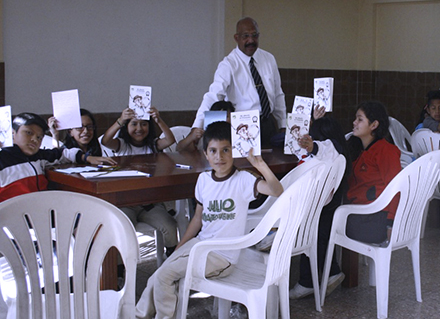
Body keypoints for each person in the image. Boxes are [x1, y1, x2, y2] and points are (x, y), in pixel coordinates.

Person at [135, 121, 283, 319]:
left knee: (165, 275)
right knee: (158, 274)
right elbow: (197, 218)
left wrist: (260, 165)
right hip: (200, 245)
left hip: (223, 256)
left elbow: (277, 190)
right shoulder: (203, 180)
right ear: (205, 154)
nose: (219, 157)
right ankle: (139, 315)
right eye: (213, 150)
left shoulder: (243, 180)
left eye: (225, 150)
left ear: (233, 152)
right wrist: (181, 246)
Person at [0, 112, 115, 203]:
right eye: (28, 133)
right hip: (11, 223)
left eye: (39, 137)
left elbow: (63, 153)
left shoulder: (39, 157)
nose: (34, 140)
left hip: (40, 215)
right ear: (12, 133)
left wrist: (87, 158)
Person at [192, 17, 286, 148]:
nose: (251, 40)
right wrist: (197, 126)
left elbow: (278, 94)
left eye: (254, 35)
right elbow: (213, 96)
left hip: (268, 124)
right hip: (243, 126)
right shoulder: (228, 64)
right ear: (236, 38)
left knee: (271, 165)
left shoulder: (269, 59)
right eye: (245, 36)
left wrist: (283, 124)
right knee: (246, 166)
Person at [101, 106, 179, 254]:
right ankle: (119, 269)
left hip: (150, 204)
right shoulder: (121, 145)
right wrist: (120, 120)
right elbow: (105, 141)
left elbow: (170, 140)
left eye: (144, 124)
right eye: (134, 124)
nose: (139, 128)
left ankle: (172, 259)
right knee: (121, 228)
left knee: (169, 225)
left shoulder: (153, 145)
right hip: (125, 204)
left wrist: (158, 119)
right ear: (126, 126)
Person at [289, 116, 350, 299]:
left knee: (313, 239)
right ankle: (332, 272)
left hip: (322, 205)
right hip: (326, 204)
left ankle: (307, 281)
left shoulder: (331, 148)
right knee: (319, 240)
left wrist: (313, 146)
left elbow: (325, 148)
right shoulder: (340, 152)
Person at [345, 101, 402, 245]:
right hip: (360, 211)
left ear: (374, 125)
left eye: (360, 119)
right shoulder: (360, 148)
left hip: (376, 220)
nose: (354, 123)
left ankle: (332, 267)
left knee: (328, 222)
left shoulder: (386, 151)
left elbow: (396, 188)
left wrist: (390, 222)